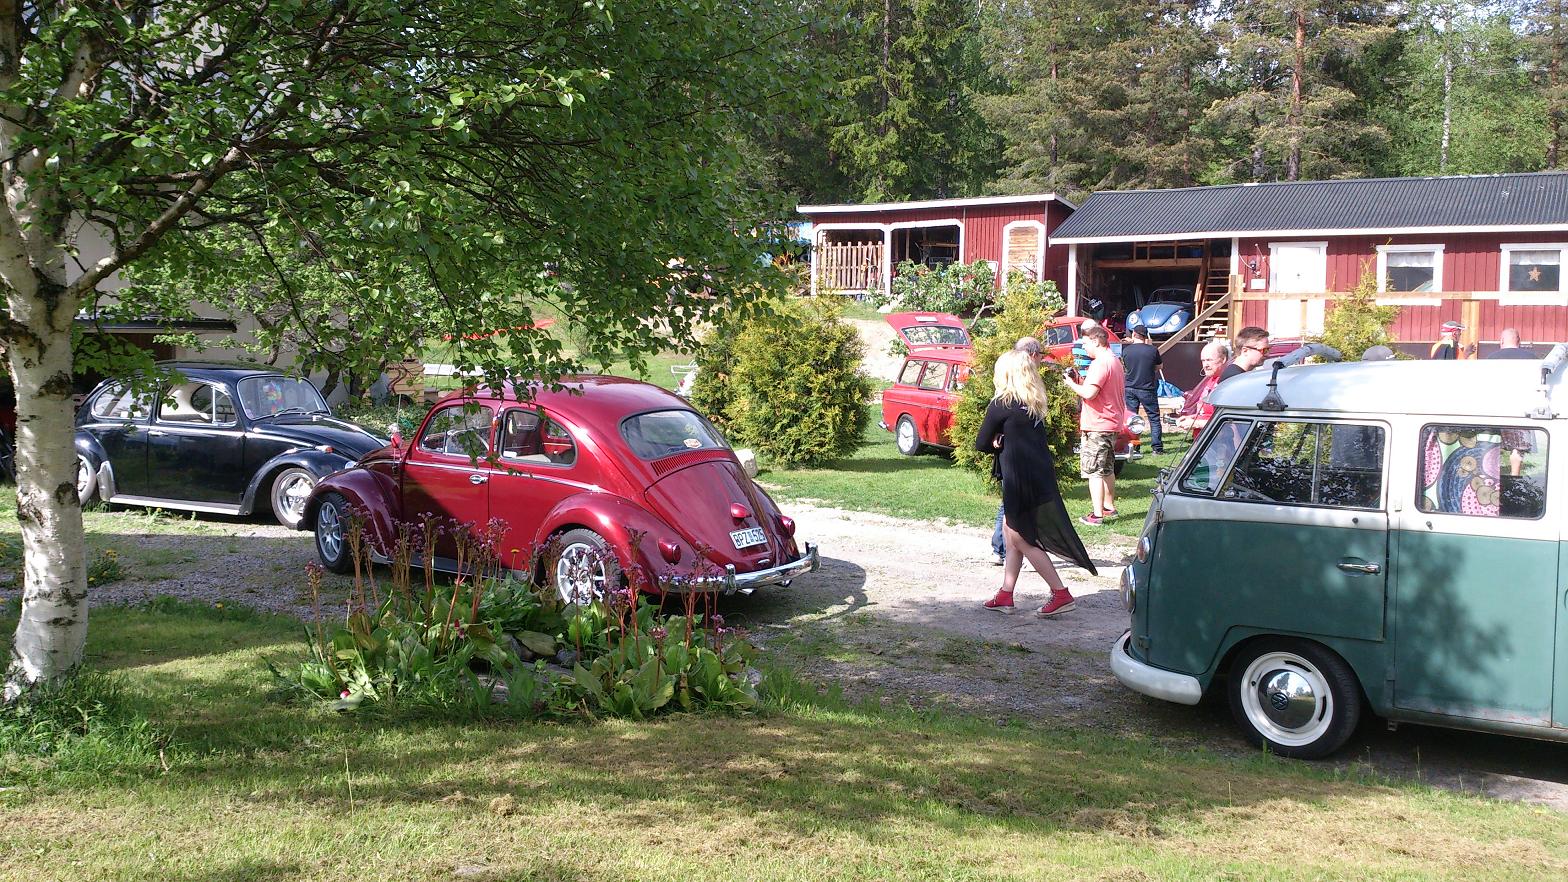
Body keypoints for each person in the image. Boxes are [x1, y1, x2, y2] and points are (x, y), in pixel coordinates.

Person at [975, 349, 1095, 617]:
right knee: (1010, 532)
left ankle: (1060, 593)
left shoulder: (1001, 403)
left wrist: (996, 441)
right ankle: (1006, 594)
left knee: (1022, 537)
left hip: (1018, 479)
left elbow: (981, 443)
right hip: (1038, 474)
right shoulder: (1033, 403)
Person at [1063, 325, 1125, 525]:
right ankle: (1109, 507)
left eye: (1086, 343)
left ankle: (1097, 515)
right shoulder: (1114, 360)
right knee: (1107, 468)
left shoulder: (1100, 363)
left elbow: (1090, 393)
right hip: (1111, 422)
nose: (1084, 347)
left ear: (1096, 341)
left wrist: (1070, 384)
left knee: (1094, 470)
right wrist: (1080, 381)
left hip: (1098, 424)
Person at [991, 337, 1044, 565]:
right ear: (1031, 356)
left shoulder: (1025, 388)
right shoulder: (1017, 391)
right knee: (1013, 511)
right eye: (1039, 356)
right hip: (1018, 462)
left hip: (1021, 460)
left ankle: (1004, 552)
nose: (1040, 361)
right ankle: (1004, 548)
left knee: (1011, 509)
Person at [1120, 325, 1164, 454]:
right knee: (1154, 418)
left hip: (1130, 387)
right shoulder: (1153, 350)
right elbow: (1160, 366)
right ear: (1145, 336)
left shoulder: (1126, 350)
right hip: (1147, 388)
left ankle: (1134, 447)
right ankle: (1157, 448)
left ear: (1134, 334)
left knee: (1131, 419)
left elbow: (1124, 367)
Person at [1174, 340, 1229, 438]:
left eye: (1209, 360)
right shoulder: (1211, 379)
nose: (1205, 365)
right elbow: (1206, 413)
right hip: (1202, 439)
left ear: (1223, 359)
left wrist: (1196, 423)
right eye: (1203, 360)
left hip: (1218, 440)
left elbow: (1227, 422)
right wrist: (1191, 418)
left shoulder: (1227, 382)